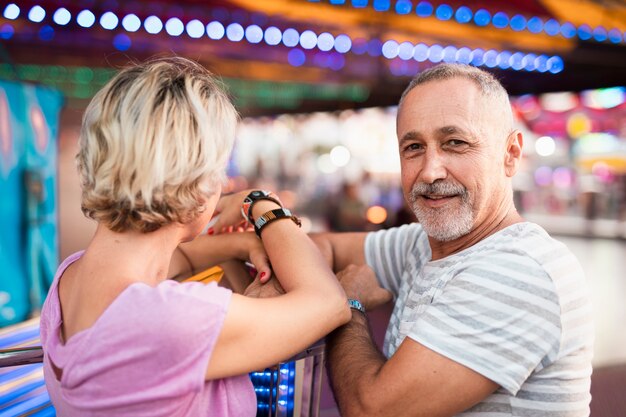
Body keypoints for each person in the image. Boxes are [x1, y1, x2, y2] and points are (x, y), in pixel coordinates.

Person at [39, 57, 350, 416]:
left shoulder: (70, 278)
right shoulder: (172, 318)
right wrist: (261, 204)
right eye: (218, 169)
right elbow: (328, 303)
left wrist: (240, 242)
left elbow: (177, 260)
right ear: (195, 180)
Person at [308, 64, 593, 416]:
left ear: (511, 154)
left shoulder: (519, 270)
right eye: (413, 147)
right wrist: (260, 214)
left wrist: (348, 305)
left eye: (455, 143)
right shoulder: (422, 245)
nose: (430, 171)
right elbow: (324, 248)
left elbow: (371, 409)